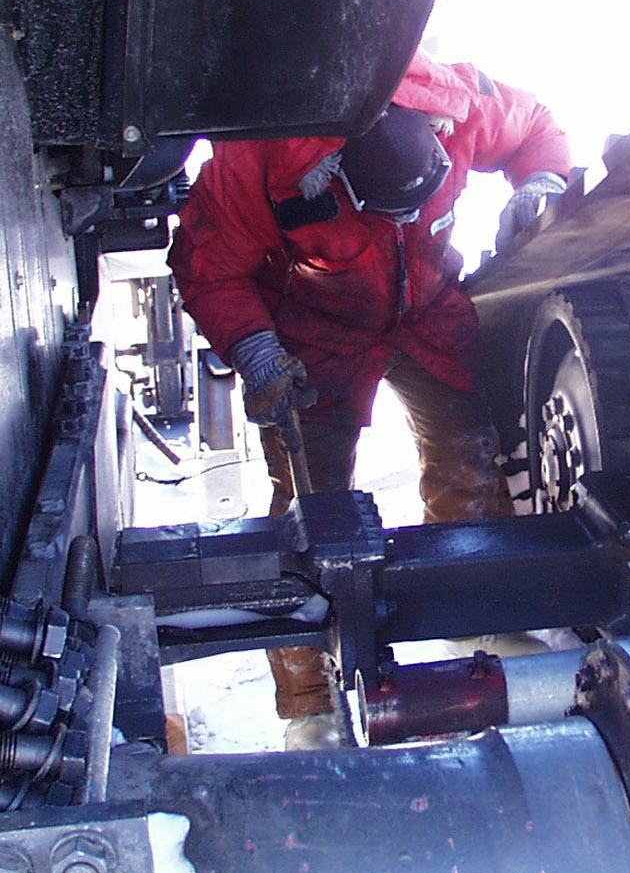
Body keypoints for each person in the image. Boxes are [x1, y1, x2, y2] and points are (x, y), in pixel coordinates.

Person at [168, 48, 571, 747]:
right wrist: (256, 349)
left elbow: (535, 125)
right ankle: (308, 704)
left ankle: (470, 613)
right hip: (310, 330)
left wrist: (540, 183)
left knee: (469, 453)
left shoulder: (458, 100)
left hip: (425, 313)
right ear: (339, 184)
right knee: (310, 511)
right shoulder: (261, 150)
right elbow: (207, 267)